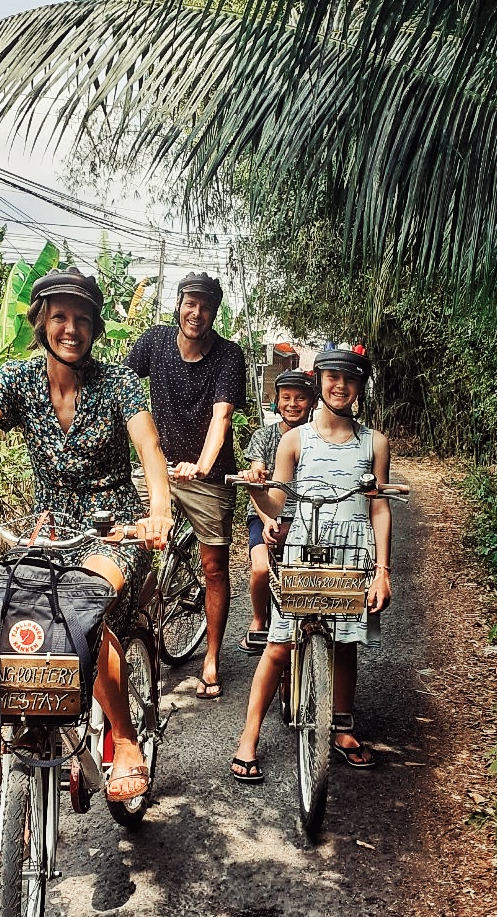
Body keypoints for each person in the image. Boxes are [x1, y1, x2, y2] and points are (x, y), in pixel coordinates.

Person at [0, 266, 173, 802]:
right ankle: (37, 719)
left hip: (115, 528)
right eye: (59, 317)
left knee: (80, 607)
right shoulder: (15, 379)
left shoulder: (119, 383)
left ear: (95, 329)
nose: (70, 328)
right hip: (49, 526)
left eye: (81, 319)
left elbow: (150, 450)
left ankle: (123, 740)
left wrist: (159, 512)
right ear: (41, 322)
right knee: (18, 614)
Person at [230, 345, 393, 782]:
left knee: (345, 642)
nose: (340, 386)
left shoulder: (374, 442)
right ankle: (249, 736)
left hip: (354, 551)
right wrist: (256, 489)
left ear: (360, 387)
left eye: (350, 379)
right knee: (280, 645)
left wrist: (382, 571)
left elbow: (379, 507)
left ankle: (341, 727)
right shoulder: (293, 440)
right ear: (320, 380)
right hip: (303, 547)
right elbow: (278, 502)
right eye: (332, 377)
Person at [125, 272, 246, 700]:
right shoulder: (154, 342)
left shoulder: (229, 355)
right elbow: (120, 389)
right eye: (190, 303)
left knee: (214, 566)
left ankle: (211, 656)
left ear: (215, 311)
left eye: (206, 305)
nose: (197, 313)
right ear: (178, 304)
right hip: (157, 466)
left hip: (206, 476)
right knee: (131, 550)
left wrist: (202, 464)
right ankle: (135, 642)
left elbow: (222, 416)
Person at [239, 369, 317, 654]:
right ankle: (259, 620)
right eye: (286, 398)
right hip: (265, 511)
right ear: (277, 401)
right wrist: (255, 476)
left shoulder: (316, 437)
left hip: (306, 516)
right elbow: (256, 468)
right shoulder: (264, 436)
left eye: (300, 398)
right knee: (261, 568)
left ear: (312, 402)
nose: (292, 404)